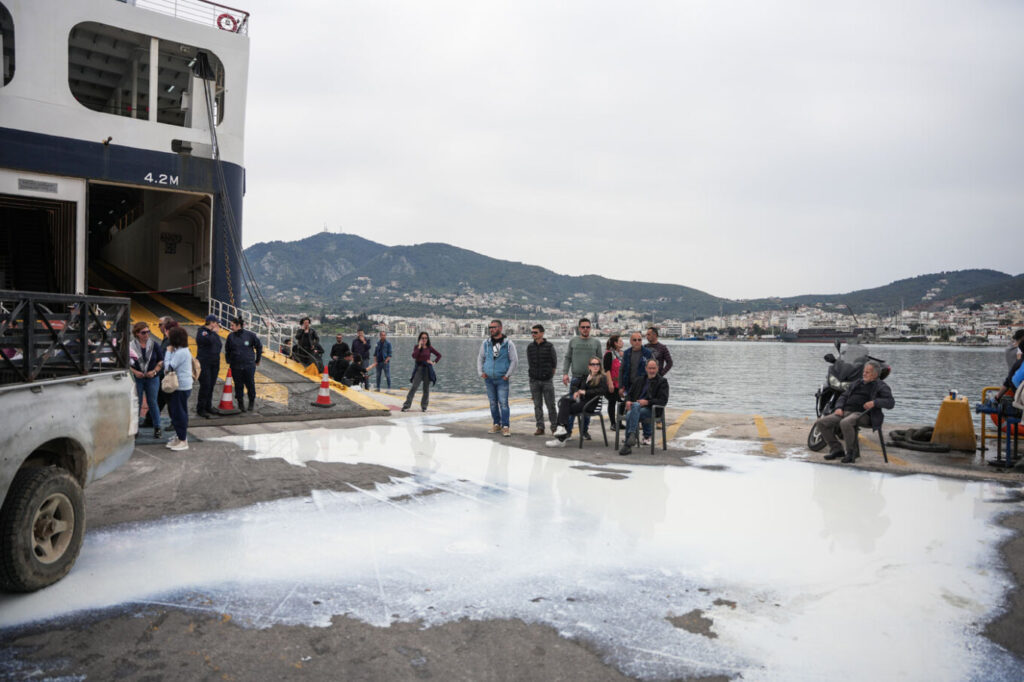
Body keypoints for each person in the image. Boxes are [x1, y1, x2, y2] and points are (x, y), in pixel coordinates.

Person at [815, 360, 895, 464]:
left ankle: (851, 453)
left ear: (875, 374)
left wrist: (875, 402)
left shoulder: (881, 386)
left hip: (865, 415)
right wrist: (839, 407)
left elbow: (890, 402)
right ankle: (837, 449)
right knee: (821, 422)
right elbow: (843, 396)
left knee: (846, 422)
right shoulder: (857, 382)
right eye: (864, 371)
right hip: (845, 412)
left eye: (867, 372)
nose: (864, 374)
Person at [546, 357, 614, 448]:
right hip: (582, 401)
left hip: (591, 404)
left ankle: (561, 435)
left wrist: (585, 392)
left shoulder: (602, 377)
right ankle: (561, 429)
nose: (595, 366)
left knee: (565, 408)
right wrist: (576, 391)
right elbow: (574, 385)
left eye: (597, 364)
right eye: (593, 364)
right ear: (589, 366)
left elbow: (602, 391)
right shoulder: (586, 376)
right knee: (564, 401)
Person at [619, 359, 670, 456]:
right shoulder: (639, 380)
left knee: (632, 411)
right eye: (650, 368)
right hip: (636, 408)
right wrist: (628, 401)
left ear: (657, 368)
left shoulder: (662, 382)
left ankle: (628, 442)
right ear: (646, 368)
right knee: (634, 409)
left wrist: (647, 402)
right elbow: (629, 394)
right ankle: (631, 437)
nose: (652, 371)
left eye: (654, 368)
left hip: (651, 409)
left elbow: (663, 401)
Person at [561, 318, 603, 438]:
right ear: (579, 328)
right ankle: (568, 431)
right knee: (572, 405)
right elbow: (567, 358)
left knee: (587, 406)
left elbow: (600, 360)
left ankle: (584, 431)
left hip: (591, 380)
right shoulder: (573, 341)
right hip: (576, 378)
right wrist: (565, 373)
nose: (585, 329)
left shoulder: (596, 342)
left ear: (590, 328)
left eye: (587, 327)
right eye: (583, 327)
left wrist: (601, 377)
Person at [477, 319, 518, 437]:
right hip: (489, 378)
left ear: (500, 328)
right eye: (490, 327)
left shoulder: (508, 344)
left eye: (494, 327)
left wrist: (507, 375)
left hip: (502, 379)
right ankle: (496, 424)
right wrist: (481, 372)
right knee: (493, 403)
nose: (491, 329)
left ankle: (506, 426)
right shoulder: (486, 343)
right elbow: (480, 358)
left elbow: (514, 360)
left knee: (503, 403)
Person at [129, 321, 164, 438]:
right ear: (137, 333)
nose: (147, 334)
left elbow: (161, 360)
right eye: (144, 332)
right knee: (136, 404)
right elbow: (125, 362)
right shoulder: (130, 346)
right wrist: (135, 372)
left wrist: (154, 371)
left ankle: (157, 427)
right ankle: (135, 428)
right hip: (137, 378)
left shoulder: (155, 345)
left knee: (152, 402)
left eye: (148, 331)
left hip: (152, 378)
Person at [163, 325, 194, 451]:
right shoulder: (182, 350)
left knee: (179, 413)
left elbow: (168, 368)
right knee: (177, 411)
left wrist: (168, 352)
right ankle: (180, 436)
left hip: (180, 387)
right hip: (182, 386)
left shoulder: (180, 352)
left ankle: (182, 439)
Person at [224, 316, 262, 412]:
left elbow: (259, 347)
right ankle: (240, 403)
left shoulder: (250, 335)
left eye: (232, 325)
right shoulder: (230, 336)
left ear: (238, 325)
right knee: (238, 385)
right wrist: (229, 361)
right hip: (236, 365)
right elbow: (227, 350)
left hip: (248, 365)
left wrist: (257, 360)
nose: (231, 327)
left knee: (250, 384)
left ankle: (251, 402)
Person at [526, 324, 558, 435]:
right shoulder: (530, 347)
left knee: (551, 405)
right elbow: (530, 363)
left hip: (547, 380)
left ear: (542, 333)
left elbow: (554, 364)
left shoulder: (549, 346)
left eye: (535, 332)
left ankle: (554, 427)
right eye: (532, 332)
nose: (533, 334)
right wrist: (532, 377)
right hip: (534, 380)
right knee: (537, 405)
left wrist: (549, 376)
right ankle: (540, 427)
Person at [403, 332, 442, 412]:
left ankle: (424, 406)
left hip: (427, 369)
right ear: (420, 339)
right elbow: (414, 356)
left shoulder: (429, 347)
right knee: (414, 387)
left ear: (427, 339)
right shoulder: (416, 347)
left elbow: (439, 355)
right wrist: (419, 346)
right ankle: (406, 405)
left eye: (425, 338)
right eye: (422, 338)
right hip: (419, 369)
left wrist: (433, 362)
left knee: (426, 389)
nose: (424, 339)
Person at [195, 315, 222, 418]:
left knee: (211, 385)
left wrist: (214, 333)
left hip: (214, 363)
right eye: (216, 322)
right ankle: (200, 408)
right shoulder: (202, 332)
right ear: (211, 322)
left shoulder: (212, 333)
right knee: (205, 385)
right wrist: (214, 333)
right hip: (205, 362)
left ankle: (208, 406)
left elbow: (218, 345)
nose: (217, 325)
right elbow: (209, 341)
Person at [618, 332, 653, 404]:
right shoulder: (627, 353)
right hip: (629, 386)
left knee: (639, 408)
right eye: (635, 340)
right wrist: (620, 387)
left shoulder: (648, 353)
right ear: (630, 341)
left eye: (639, 340)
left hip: (643, 387)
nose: (637, 342)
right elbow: (621, 370)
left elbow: (653, 369)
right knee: (628, 407)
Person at [603, 334, 623, 425]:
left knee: (622, 402)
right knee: (612, 402)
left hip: (619, 383)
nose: (622, 343)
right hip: (612, 383)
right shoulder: (609, 354)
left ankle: (619, 422)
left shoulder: (619, 354)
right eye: (620, 341)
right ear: (615, 343)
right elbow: (607, 369)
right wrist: (610, 383)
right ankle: (613, 423)